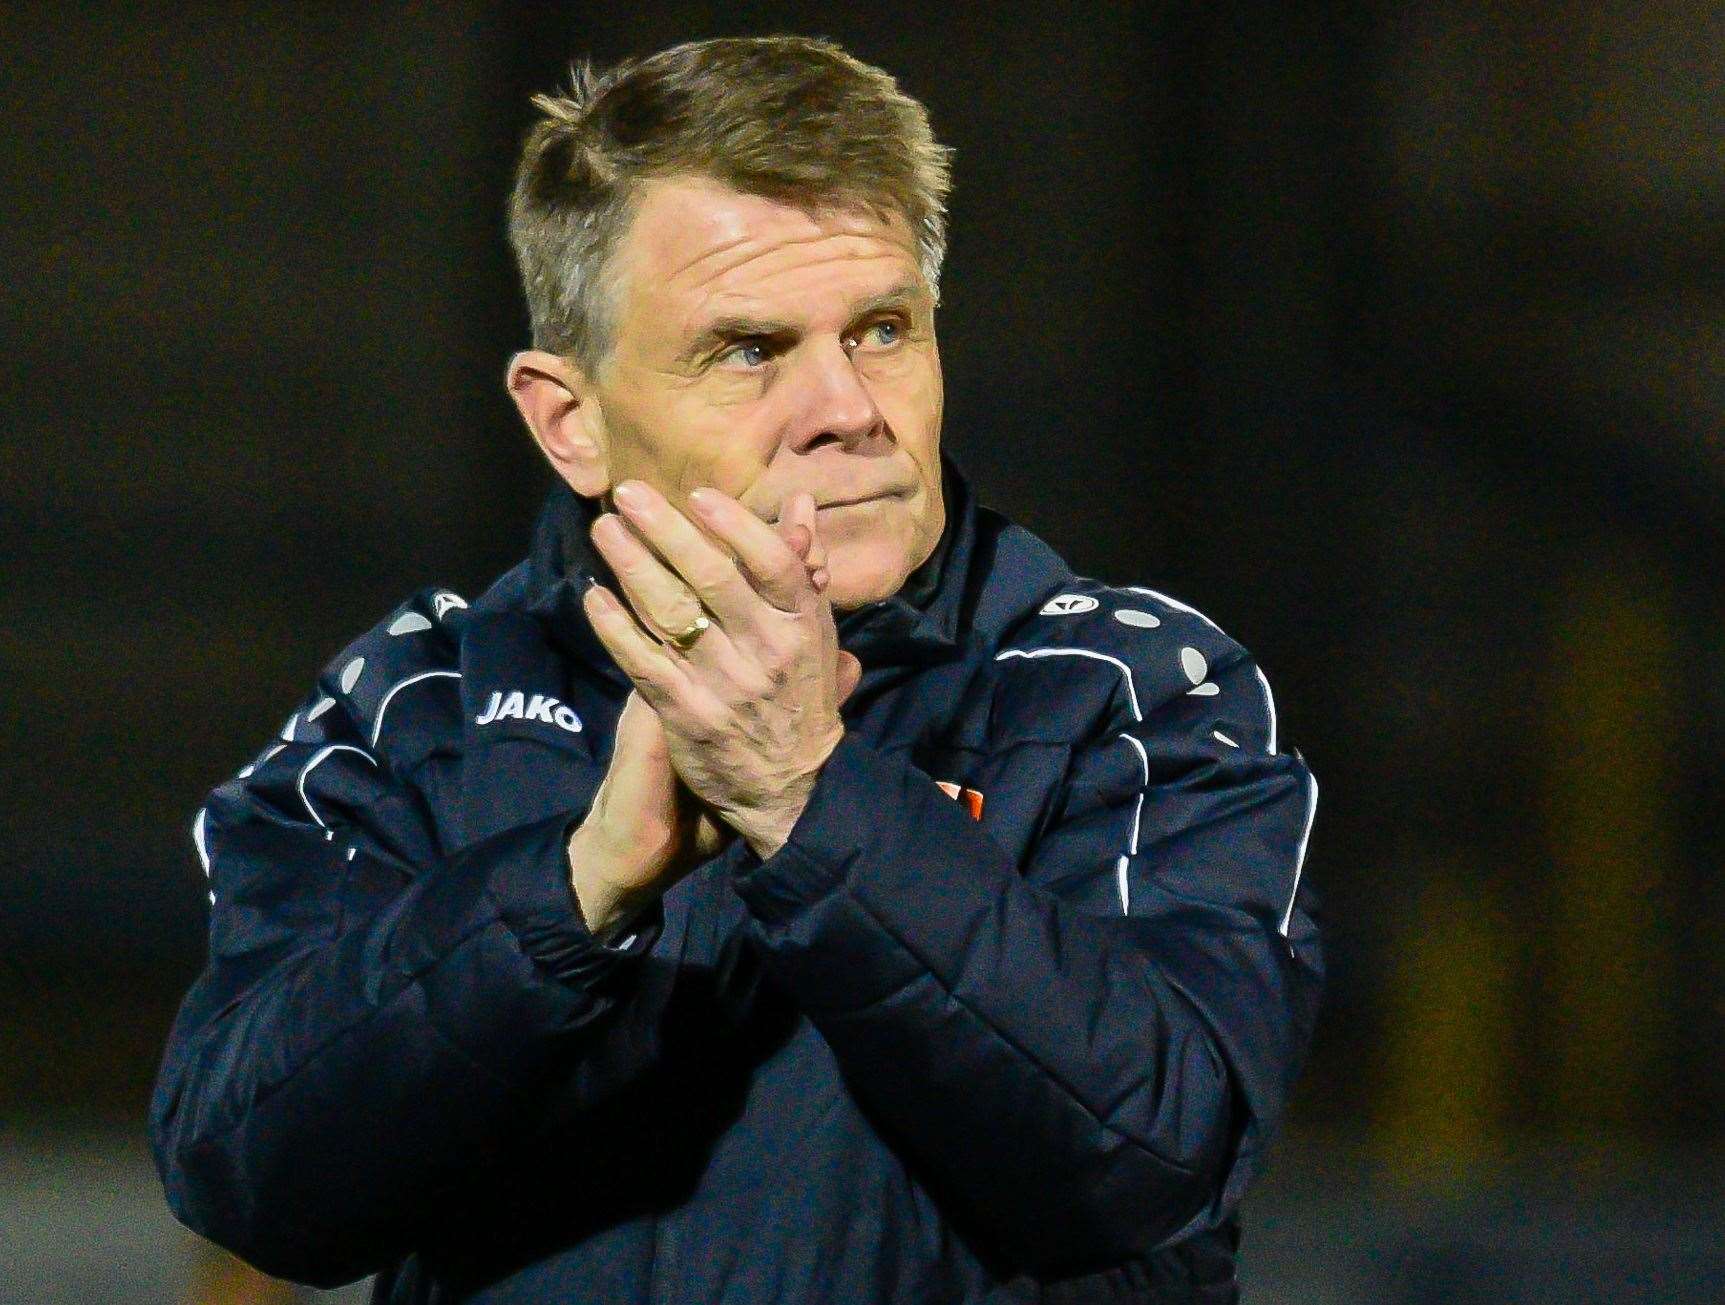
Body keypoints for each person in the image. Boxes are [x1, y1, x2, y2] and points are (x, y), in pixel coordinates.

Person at [150, 35, 1323, 1305]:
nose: (848, 406)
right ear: (571, 421)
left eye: (883, 330)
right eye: (752, 350)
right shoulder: (424, 702)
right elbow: (250, 1177)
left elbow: (1155, 1157)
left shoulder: (1126, 693)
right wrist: (574, 893)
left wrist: (811, 803)